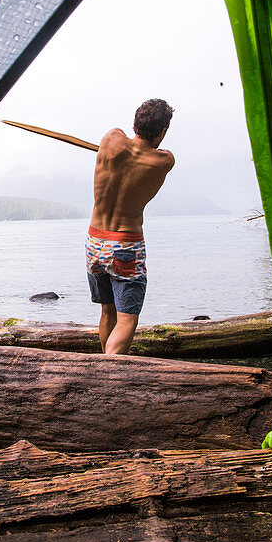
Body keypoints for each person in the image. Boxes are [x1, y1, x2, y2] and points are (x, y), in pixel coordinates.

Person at [86, 98, 174, 355]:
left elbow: (122, 141)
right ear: (162, 132)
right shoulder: (163, 161)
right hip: (125, 245)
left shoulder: (111, 138)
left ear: (135, 122)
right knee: (127, 319)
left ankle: (106, 364)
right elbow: (163, 153)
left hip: (94, 241)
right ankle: (107, 373)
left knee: (107, 309)